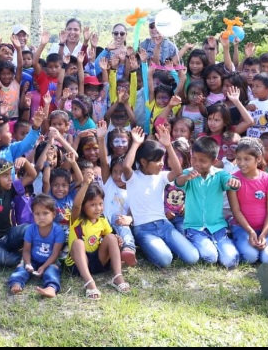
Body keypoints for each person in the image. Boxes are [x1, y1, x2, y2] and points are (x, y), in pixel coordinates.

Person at [123, 126, 200, 268]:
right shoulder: (133, 178)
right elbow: (126, 167)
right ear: (144, 162)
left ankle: (161, 246)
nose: (162, 163)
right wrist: (135, 143)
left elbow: (177, 171)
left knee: (193, 257)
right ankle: (148, 246)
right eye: (157, 160)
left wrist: (168, 145)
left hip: (165, 225)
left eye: (162, 159)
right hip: (143, 229)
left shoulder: (161, 176)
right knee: (165, 260)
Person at [171, 136, 241, 269]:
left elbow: (231, 181)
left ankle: (220, 245)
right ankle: (198, 242)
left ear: (214, 162)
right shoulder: (188, 173)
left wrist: (234, 182)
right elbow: (178, 181)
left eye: (202, 161)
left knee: (231, 261)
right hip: (195, 227)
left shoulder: (220, 174)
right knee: (210, 257)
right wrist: (186, 177)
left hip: (217, 227)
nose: (196, 163)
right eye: (194, 159)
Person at [66, 174, 130, 300]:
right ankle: (89, 282)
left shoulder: (102, 220)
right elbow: (76, 205)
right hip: (78, 263)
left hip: (98, 261)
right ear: (84, 207)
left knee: (111, 237)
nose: (98, 208)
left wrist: (117, 239)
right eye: (93, 205)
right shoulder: (76, 219)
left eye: (100, 204)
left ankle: (117, 276)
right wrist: (85, 184)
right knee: (78, 243)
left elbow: (109, 240)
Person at [227, 137, 268, 265]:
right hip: (242, 228)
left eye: (247, 159)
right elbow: (235, 210)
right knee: (250, 257)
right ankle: (238, 240)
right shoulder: (233, 180)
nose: (242, 163)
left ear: (258, 159)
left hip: (265, 229)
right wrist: (250, 231)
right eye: (239, 158)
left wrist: (264, 234)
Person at [0, 157, 35, 267]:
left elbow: (32, 175)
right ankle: (24, 260)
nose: (10, 179)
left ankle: (39, 254)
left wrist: (25, 161)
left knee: (29, 228)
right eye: (5, 175)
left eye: (10, 174)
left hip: (9, 236)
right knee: (0, 259)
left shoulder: (10, 190)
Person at [7, 194, 65, 298]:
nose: (41, 217)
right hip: (33, 259)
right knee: (22, 268)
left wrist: (44, 267)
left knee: (52, 271)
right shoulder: (31, 229)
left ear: (54, 214)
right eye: (37, 214)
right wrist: (28, 263)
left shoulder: (58, 231)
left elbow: (55, 254)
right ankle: (16, 283)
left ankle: (51, 288)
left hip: (50, 260)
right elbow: (26, 250)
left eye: (45, 213)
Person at [96, 121, 137, 267]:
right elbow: (103, 162)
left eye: (122, 172)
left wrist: (128, 219)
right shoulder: (109, 184)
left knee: (121, 222)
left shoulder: (134, 188)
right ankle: (122, 250)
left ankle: (128, 249)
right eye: (115, 172)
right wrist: (101, 139)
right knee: (114, 220)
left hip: (123, 225)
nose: (119, 176)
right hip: (105, 225)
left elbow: (135, 211)